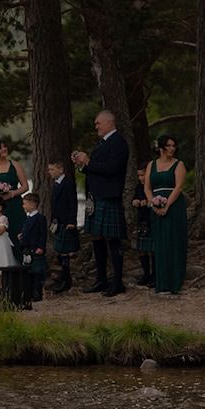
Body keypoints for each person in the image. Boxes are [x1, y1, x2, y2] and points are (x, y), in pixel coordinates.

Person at [71, 110, 129, 297]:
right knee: (96, 237)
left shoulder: (118, 143)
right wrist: (83, 165)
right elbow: (96, 170)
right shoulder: (103, 143)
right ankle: (101, 279)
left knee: (112, 240)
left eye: (98, 123)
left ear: (109, 122)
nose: (96, 126)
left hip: (109, 196)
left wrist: (88, 161)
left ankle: (118, 282)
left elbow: (112, 169)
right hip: (96, 197)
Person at [144, 134, 188, 295]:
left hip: (174, 206)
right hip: (155, 206)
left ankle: (175, 281)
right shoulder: (151, 165)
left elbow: (178, 187)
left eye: (173, 146)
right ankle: (161, 281)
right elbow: (147, 187)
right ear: (161, 148)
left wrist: (167, 205)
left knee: (174, 241)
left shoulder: (179, 164)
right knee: (160, 242)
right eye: (168, 146)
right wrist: (152, 203)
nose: (172, 149)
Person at [0, 137, 30, 251]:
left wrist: (12, 194)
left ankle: (22, 262)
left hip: (15, 205)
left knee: (18, 232)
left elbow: (25, 186)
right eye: (0, 148)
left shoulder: (15, 165)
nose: (4, 149)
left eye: (4, 146)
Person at [48, 160, 79, 293]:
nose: (50, 172)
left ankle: (67, 280)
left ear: (61, 169)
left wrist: (72, 221)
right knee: (60, 252)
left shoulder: (68, 183)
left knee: (65, 252)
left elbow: (73, 202)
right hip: (58, 222)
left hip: (67, 222)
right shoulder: (56, 184)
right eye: (49, 170)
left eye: (52, 170)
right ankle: (63, 277)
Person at [17, 191, 48, 303]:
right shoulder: (28, 218)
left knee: (37, 273)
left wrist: (41, 247)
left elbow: (43, 234)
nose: (23, 206)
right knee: (28, 272)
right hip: (26, 249)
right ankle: (28, 293)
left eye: (24, 204)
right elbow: (27, 232)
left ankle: (37, 294)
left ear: (32, 204)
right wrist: (21, 236)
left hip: (35, 249)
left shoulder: (40, 218)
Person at [131, 165, 154, 288]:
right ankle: (146, 274)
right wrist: (135, 201)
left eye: (142, 175)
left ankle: (154, 275)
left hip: (152, 221)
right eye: (139, 175)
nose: (140, 178)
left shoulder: (153, 186)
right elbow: (135, 198)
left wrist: (148, 201)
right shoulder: (139, 187)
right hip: (141, 220)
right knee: (142, 250)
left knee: (153, 249)